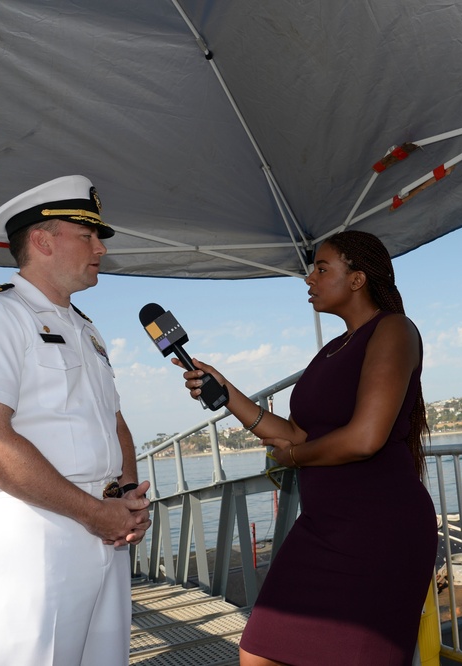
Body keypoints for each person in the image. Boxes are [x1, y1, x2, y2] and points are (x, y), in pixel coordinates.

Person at [176, 230, 438, 666]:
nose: (308, 279)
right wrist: (226, 390)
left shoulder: (394, 330)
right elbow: (296, 433)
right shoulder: (333, 350)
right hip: (323, 527)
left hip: (379, 531)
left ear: (357, 279)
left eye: (321, 268)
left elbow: (364, 438)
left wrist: (293, 458)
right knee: (259, 651)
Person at [0, 175, 152, 665]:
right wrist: (94, 513)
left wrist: (126, 499)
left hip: (102, 526)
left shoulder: (84, 328)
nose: (100, 248)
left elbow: (112, 422)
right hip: (35, 534)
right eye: (88, 236)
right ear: (42, 240)